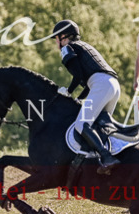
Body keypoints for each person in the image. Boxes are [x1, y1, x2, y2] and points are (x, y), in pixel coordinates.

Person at [52, 19, 122, 173]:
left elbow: (78, 76)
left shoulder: (67, 48)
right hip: (113, 85)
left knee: (81, 124)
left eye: (56, 38)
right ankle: (105, 159)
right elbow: (87, 81)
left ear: (64, 36)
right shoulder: (85, 46)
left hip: (101, 84)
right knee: (100, 125)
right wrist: (79, 98)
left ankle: (107, 157)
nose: (56, 42)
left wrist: (68, 91)